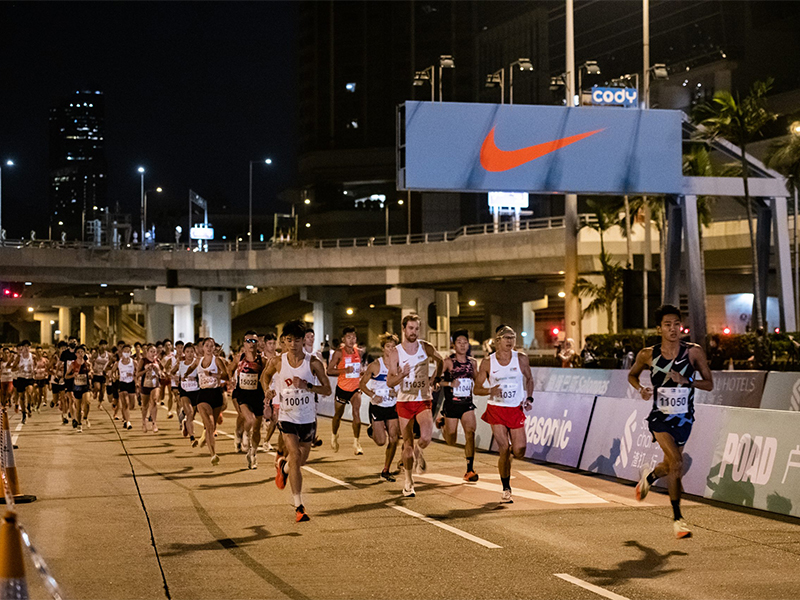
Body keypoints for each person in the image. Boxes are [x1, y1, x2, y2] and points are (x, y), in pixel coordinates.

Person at [628, 304, 713, 539]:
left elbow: (709, 383)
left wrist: (687, 381)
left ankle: (650, 477)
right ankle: (678, 520)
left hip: (684, 417)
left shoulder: (693, 352)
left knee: (671, 466)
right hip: (660, 418)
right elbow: (632, 375)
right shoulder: (647, 354)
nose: (673, 329)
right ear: (659, 329)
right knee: (677, 461)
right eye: (668, 325)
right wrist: (641, 389)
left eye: (677, 324)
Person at [261, 320, 331, 522]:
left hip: (307, 418)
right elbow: (265, 377)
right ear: (283, 341)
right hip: (287, 416)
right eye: (288, 340)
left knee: (299, 460)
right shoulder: (277, 361)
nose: (292, 344)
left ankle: (283, 467)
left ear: (303, 341)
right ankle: (299, 506)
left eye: (296, 340)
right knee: (294, 453)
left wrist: (308, 385)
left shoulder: (313, 362)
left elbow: (327, 390)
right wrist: (267, 390)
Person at [386, 314, 443, 497]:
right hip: (404, 402)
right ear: (403, 329)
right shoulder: (396, 352)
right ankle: (408, 481)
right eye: (410, 328)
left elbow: (440, 360)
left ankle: (420, 451)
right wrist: (402, 375)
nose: (414, 332)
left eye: (417, 328)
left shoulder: (426, 347)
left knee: (426, 437)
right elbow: (389, 382)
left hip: (423, 399)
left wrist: (436, 378)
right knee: (407, 446)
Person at [475, 325, 534, 503]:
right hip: (496, 410)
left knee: (520, 450)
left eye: (512, 337)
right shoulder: (487, 362)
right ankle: (506, 488)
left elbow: (529, 378)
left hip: (515, 408)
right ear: (497, 340)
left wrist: (529, 398)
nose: (510, 341)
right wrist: (490, 391)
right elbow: (477, 389)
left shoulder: (521, 359)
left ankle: (508, 464)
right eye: (506, 337)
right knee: (504, 449)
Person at [435, 329, 479, 482]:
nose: (462, 345)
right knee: (451, 440)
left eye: (465, 342)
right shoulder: (448, 362)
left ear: (468, 344)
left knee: (470, 433)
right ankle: (442, 423)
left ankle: (470, 469)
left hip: (467, 404)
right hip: (452, 405)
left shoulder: (472, 362)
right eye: (459, 342)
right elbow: (436, 381)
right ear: (454, 345)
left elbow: (477, 380)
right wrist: (449, 383)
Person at [359, 333, 401, 482]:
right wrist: (372, 394)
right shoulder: (376, 365)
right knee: (381, 441)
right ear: (383, 348)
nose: (390, 349)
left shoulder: (399, 365)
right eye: (388, 347)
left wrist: (396, 391)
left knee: (394, 439)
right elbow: (361, 384)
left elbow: (403, 384)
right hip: (377, 406)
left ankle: (386, 469)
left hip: (392, 406)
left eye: (393, 347)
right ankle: (372, 430)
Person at [190, 337, 228, 465]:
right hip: (203, 395)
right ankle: (213, 455)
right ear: (202, 347)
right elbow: (189, 369)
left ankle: (204, 438)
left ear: (214, 348)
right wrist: (185, 375)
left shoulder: (217, 360)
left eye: (212, 346)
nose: (209, 348)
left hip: (216, 394)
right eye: (206, 345)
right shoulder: (198, 361)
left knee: (212, 426)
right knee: (210, 423)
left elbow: (227, 375)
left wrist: (214, 375)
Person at [327, 327, 364, 455]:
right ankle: (334, 435)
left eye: (353, 337)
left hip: (355, 388)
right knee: (338, 415)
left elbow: (360, 368)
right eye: (348, 337)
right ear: (343, 339)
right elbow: (329, 370)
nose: (351, 340)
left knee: (356, 413)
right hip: (342, 388)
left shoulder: (359, 352)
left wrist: (362, 371)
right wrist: (344, 371)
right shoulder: (339, 353)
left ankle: (356, 442)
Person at [233, 331, 266, 469]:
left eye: (254, 341)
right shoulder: (238, 358)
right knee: (249, 419)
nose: (251, 344)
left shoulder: (262, 361)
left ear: (258, 344)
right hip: (242, 394)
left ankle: (253, 453)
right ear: (244, 344)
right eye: (248, 341)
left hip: (257, 395)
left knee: (257, 428)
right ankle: (243, 433)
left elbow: (266, 378)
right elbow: (228, 371)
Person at [173, 343, 200, 446]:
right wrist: (176, 378)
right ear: (184, 353)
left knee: (192, 416)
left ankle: (185, 423)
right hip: (185, 391)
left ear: (194, 352)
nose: (189, 354)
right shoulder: (181, 364)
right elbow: (172, 372)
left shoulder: (197, 363)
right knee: (189, 413)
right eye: (187, 352)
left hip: (196, 391)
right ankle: (192, 438)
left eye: (192, 352)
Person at [136, 345, 163, 433]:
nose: (152, 354)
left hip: (155, 384)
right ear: (147, 352)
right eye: (151, 351)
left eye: (154, 352)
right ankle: (144, 422)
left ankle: (154, 423)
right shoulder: (143, 361)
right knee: (145, 406)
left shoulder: (157, 361)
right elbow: (137, 374)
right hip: (145, 385)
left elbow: (162, 373)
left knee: (154, 401)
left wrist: (157, 371)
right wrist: (146, 370)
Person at [67, 345, 92, 432]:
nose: (80, 354)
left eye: (82, 352)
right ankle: (79, 424)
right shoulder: (73, 364)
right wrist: (73, 375)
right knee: (78, 407)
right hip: (77, 387)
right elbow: (66, 376)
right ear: (76, 354)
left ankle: (85, 416)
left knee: (87, 402)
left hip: (85, 386)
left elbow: (91, 373)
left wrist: (90, 373)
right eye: (79, 352)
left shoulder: (87, 363)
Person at [11, 341, 36, 423]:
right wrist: (18, 368)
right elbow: (12, 368)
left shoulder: (33, 356)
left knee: (29, 392)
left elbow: (36, 365)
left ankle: (29, 406)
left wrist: (35, 370)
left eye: (28, 346)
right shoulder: (19, 357)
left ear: (30, 348)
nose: (26, 348)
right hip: (21, 378)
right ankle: (24, 414)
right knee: (22, 397)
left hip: (30, 378)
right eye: (24, 346)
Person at [113, 344, 136, 430]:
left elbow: (138, 372)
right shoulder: (118, 363)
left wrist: (134, 375)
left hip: (131, 383)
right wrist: (114, 377)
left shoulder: (133, 362)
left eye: (128, 351)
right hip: (122, 383)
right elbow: (112, 371)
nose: (126, 353)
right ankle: (128, 422)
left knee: (132, 405)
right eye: (125, 351)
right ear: (122, 352)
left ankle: (125, 416)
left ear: (130, 353)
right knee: (125, 403)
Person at [91, 339, 112, 407]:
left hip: (104, 374)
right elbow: (90, 361)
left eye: (104, 345)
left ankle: (99, 403)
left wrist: (109, 370)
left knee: (102, 391)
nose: (103, 346)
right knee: (97, 387)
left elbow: (111, 363)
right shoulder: (96, 354)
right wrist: (92, 368)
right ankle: (95, 392)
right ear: (99, 346)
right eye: (102, 345)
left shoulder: (108, 355)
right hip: (96, 373)